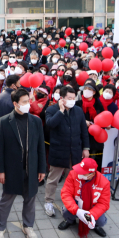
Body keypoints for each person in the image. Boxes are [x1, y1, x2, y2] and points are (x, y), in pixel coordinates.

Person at [0, 88, 46, 238]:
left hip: (32, 168)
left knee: (30, 200)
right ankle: (0, 228)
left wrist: (42, 168)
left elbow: (40, 147)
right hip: (12, 170)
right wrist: (0, 170)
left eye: (29, 100)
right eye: (24, 102)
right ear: (15, 103)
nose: (28, 104)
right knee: (6, 200)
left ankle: (28, 226)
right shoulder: (4, 121)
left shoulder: (36, 121)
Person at [43, 86, 90, 218]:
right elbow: (50, 124)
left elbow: (83, 131)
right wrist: (61, 111)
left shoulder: (78, 111)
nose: (72, 101)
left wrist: (86, 148)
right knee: (53, 179)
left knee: (73, 179)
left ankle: (69, 202)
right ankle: (49, 201)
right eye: (69, 98)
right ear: (62, 98)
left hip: (75, 151)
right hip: (58, 150)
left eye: (73, 98)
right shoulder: (52, 109)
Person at [58, 158, 110, 238]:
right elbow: (66, 193)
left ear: (92, 174)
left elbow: (104, 203)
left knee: (101, 221)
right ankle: (70, 221)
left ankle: (96, 225)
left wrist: (91, 215)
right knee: (66, 212)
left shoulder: (104, 182)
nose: (78, 173)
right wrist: (77, 211)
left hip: (93, 207)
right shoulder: (73, 174)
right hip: (76, 203)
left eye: (82, 172)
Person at [0, 75, 20, 173]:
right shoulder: (16, 98)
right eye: (18, 83)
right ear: (13, 85)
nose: (20, 85)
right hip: (12, 129)